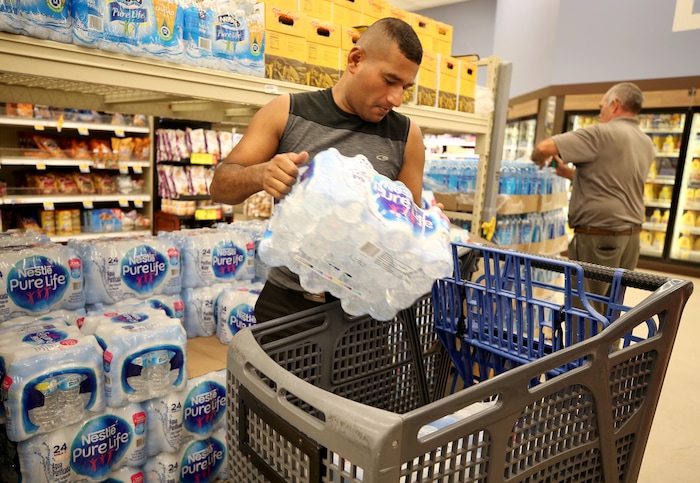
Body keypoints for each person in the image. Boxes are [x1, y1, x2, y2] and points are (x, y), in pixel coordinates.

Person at [209, 18, 426, 322]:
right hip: (287, 305)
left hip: (362, 314)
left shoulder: (407, 136)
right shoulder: (286, 112)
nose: (396, 99)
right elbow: (220, 186)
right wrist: (261, 174)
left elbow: (407, 234)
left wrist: (427, 228)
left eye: (405, 87)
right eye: (390, 81)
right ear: (355, 60)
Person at [530, 82, 655, 338]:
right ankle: (606, 365)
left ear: (615, 105)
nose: (600, 114)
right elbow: (612, 181)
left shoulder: (601, 133)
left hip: (599, 239)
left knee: (587, 311)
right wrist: (571, 174)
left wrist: (536, 160)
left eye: (601, 107)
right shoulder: (646, 142)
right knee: (611, 309)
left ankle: (582, 373)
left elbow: (544, 148)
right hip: (629, 239)